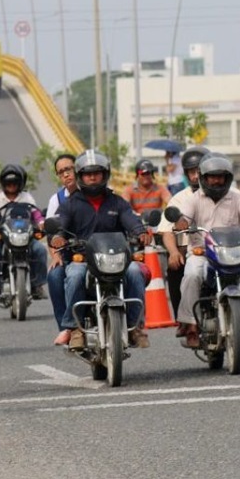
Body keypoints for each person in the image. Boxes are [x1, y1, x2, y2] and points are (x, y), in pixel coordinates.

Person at [49, 150, 152, 350]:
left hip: (116, 259)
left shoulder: (117, 202)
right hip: (84, 260)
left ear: (105, 175)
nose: (93, 177)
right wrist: (58, 236)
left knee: (135, 272)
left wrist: (140, 232)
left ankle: (135, 326)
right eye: (88, 173)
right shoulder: (70, 204)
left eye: (97, 172)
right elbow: (60, 224)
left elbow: (130, 219)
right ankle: (76, 328)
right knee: (75, 275)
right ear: (81, 176)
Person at [174, 152, 240, 348]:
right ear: (204, 178)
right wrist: (182, 222)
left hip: (231, 251)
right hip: (202, 252)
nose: (217, 181)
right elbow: (183, 217)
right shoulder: (194, 199)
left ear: (227, 178)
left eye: (221, 177)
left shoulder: (235, 196)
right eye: (213, 176)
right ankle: (190, 324)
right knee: (192, 274)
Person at [158, 146, 208, 325]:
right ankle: (184, 320)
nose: (195, 176)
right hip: (189, 249)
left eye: (199, 171)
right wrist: (173, 252)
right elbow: (166, 230)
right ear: (186, 174)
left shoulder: (226, 194)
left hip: (220, 249)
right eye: (191, 172)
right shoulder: (179, 199)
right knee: (175, 266)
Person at [0, 164, 49, 299]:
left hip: (26, 235)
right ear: (3, 183)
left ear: (21, 183)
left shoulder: (26, 197)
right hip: (3, 236)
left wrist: (42, 223)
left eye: (15, 183)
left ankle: (38, 284)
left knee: (40, 250)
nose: (12, 185)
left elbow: (35, 212)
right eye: (8, 183)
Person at [45, 153, 79, 344]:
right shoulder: (57, 200)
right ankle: (66, 327)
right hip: (70, 254)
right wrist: (55, 255)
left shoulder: (96, 191)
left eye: (69, 169)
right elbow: (51, 233)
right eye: (61, 172)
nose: (66, 175)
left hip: (99, 252)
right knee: (55, 275)